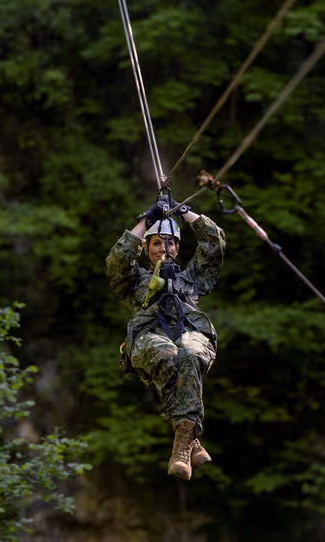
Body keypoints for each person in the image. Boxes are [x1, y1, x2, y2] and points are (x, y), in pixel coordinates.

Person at [106, 199, 225, 480]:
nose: (165, 249)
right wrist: (145, 222)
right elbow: (118, 261)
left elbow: (213, 245)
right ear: (146, 249)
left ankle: (182, 445)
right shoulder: (135, 282)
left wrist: (184, 212)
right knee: (168, 356)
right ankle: (189, 442)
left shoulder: (190, 280)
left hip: (190, 330)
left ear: (178, 247)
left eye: (170, 243)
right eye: (157, 243)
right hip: (149, 335)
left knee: (190, 354)